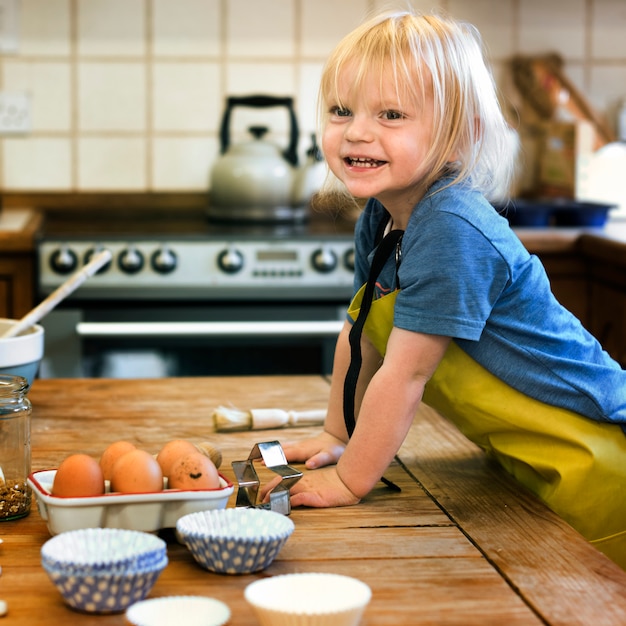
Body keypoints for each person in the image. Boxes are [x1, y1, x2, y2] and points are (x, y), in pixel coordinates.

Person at [270, 10, 626, 569]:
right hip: (524, 460)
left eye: (390, 114)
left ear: (458, 136)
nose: (357, 131)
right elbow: (362, 335)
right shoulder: (382, 216)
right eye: (342, 111)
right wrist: (337, 432)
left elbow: (406, 374)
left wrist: (350, 480)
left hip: (596, 465)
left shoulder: (452, 228)